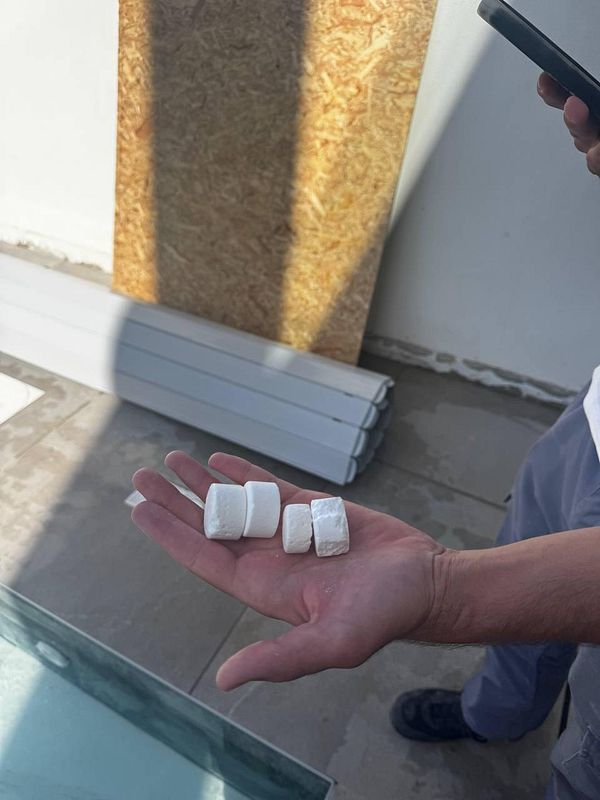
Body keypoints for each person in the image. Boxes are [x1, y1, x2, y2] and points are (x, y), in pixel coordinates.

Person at [131, 73, 600, 799]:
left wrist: (442, 593)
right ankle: (495, 714)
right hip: (594, 421)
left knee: (586, 746)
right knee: (525, 561)